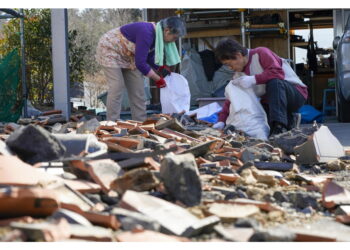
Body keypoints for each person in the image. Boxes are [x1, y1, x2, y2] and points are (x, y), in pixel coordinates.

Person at [96, 16, 186, 122]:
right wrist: (157, 78)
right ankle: (112, 123)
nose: (173, 42)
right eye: (174, 38)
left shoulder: (158, 35)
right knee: (117, 86)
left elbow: (148, 56)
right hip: (110, 49)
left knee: (138, 90)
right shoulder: (147, 32)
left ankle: (140, 123)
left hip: (129, 55)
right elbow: (141, 63)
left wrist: (160, 68)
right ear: (167, 30)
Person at [213, 38, 308, 136]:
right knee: (260, 118)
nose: (230, 68)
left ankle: (279, 127)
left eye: (229, 64)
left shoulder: (260, 53)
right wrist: (221, 121)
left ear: (238, 55)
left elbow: (278, 73)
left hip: (296, 94)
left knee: (275, 82)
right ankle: (289, 121)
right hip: (273, 103)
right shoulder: (238, 76)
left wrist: (254, 79)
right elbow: (231, 100)